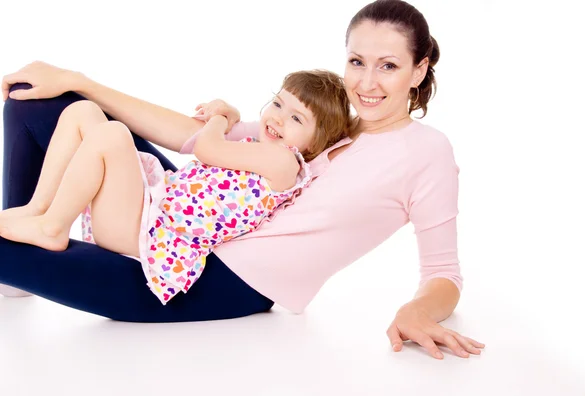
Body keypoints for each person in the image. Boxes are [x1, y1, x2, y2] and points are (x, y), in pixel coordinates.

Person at [0, 0, 485, 359]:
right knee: (36, 98)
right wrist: (79, 80)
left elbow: (444, 272)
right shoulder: (327, 125)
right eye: (357, 62)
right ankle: (33, 229)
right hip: (187, 215)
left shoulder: (428, 153)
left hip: (213, 279)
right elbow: (194, 139)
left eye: (390, 66)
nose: (366, 83)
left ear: (419, 71)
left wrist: (418, 310)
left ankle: (29, 248)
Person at [0, 69, 351, 305]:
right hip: (151, 208)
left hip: (151, 237)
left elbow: (207, 147)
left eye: (296, 118)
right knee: (83, 113)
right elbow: (209, 144)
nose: (276, 118)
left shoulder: (284, 162)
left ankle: (53, 227)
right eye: (277, 104)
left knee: (112, 134)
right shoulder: (262, 146)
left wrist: (221, 117)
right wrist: (228, 117)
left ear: (314, 142)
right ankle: (38, 209)